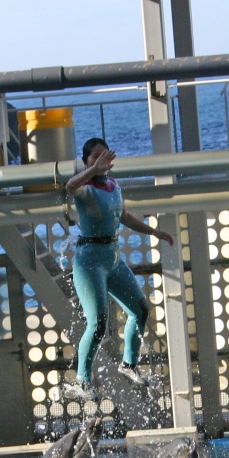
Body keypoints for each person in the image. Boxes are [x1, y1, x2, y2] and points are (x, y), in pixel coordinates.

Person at [61, 137, 173, 404]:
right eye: (95, 157)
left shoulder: (113, 186)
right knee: (98, 322)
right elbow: (69, 186)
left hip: (112, 258)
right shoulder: (85, 188)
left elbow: (124, 216)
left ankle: (129, 364)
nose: (102, 161)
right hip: (89, 261)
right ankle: (82, 380)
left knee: (141, 310)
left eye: (105, 156)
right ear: (87, 161)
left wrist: (154, 231)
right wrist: (92, 170)